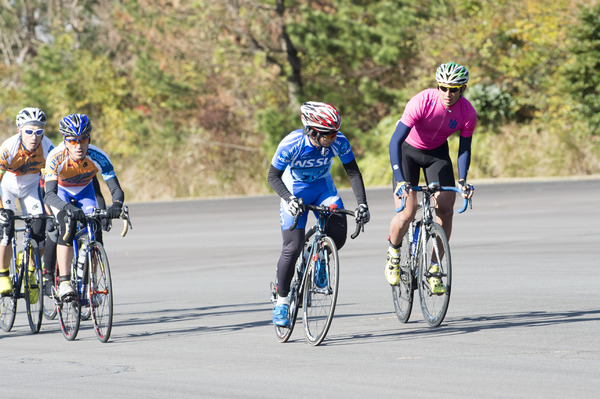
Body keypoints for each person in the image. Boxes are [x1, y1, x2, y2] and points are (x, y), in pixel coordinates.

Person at [267, 101, 370, 327]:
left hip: (324, 189)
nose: (334, 137)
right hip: (295, 190)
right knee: (292, 248)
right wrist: (289, 199)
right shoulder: (292, 143)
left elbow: (352, 172)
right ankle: (282, 301)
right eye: (328, 134)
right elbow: (272, 177)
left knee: (338, 235)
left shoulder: (339, 141)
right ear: (312, 131)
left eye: (335, 132)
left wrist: (362, 204)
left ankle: (319, 256)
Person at [386, 62, 475, 292]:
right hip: (408, 150)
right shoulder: (421, 101)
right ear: (438, 86)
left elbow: (464, 149)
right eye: (443, 88)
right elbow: (395, 141)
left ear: (462, 89)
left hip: (436, 154)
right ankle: (394, 253)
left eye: (454, 89)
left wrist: (463, 180)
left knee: (446, 208)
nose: (448, 93)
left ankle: (434, 267)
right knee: (407, 212)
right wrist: (399, 178)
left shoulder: (467, 112)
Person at [44, 113, 124, 300]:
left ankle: (89, 284)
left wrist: (117, 205)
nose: (79, 146)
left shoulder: (98, 155)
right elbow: (49, 194)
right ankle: (64, 282)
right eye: (72, 141)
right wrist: (67, 208)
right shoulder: (55, 156)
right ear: (65, 140)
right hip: (61, 194)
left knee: (94, 229)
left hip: (85, 192)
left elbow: (116, 189)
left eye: (83, 140)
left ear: (89, 138)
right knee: (67, 225)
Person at [0, 107, 55, 296]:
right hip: (7, 186)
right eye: (29, 131)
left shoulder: (48, 147)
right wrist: (2, 208)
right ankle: (3, 274)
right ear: (19, 131)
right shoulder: (8, 148)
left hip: (31, 187)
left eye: (39, 131)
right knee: (6, 230)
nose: (34, 136)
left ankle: (31, 272)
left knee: (40, 233)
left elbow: (54, 180)